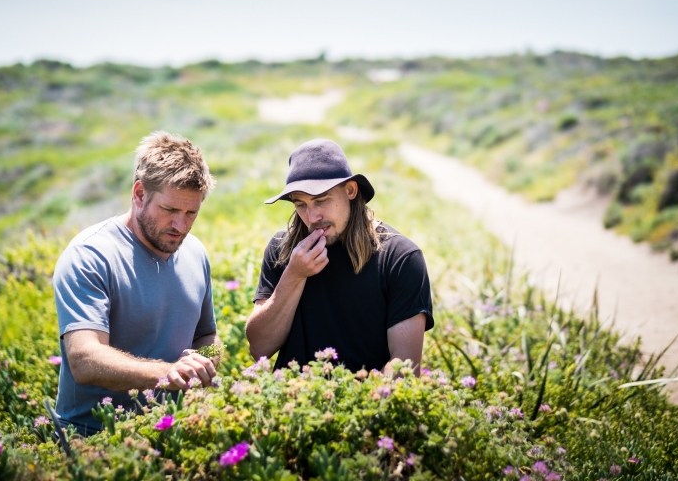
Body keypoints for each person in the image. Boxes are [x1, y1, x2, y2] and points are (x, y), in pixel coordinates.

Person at [53, 131, 221, 436]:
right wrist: (166, 373)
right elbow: (84, 359)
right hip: (93, 438)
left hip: (174, 432)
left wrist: (204, 364)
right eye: (170, 210)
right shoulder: (90, 255)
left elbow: (206, 335)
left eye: (191, 212)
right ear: (140, 193)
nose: (180, 225)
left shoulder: (195, 252)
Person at [246, 139, 433, 375]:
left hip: (365, 407)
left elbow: (404, 368)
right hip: (288, 406)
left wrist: (361, 407)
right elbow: (259, 348)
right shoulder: (282, 249)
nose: (312, 216)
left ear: (351, 190)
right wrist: (294, 275)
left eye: (321, 200)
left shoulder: (400, 258)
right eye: (300, 204)